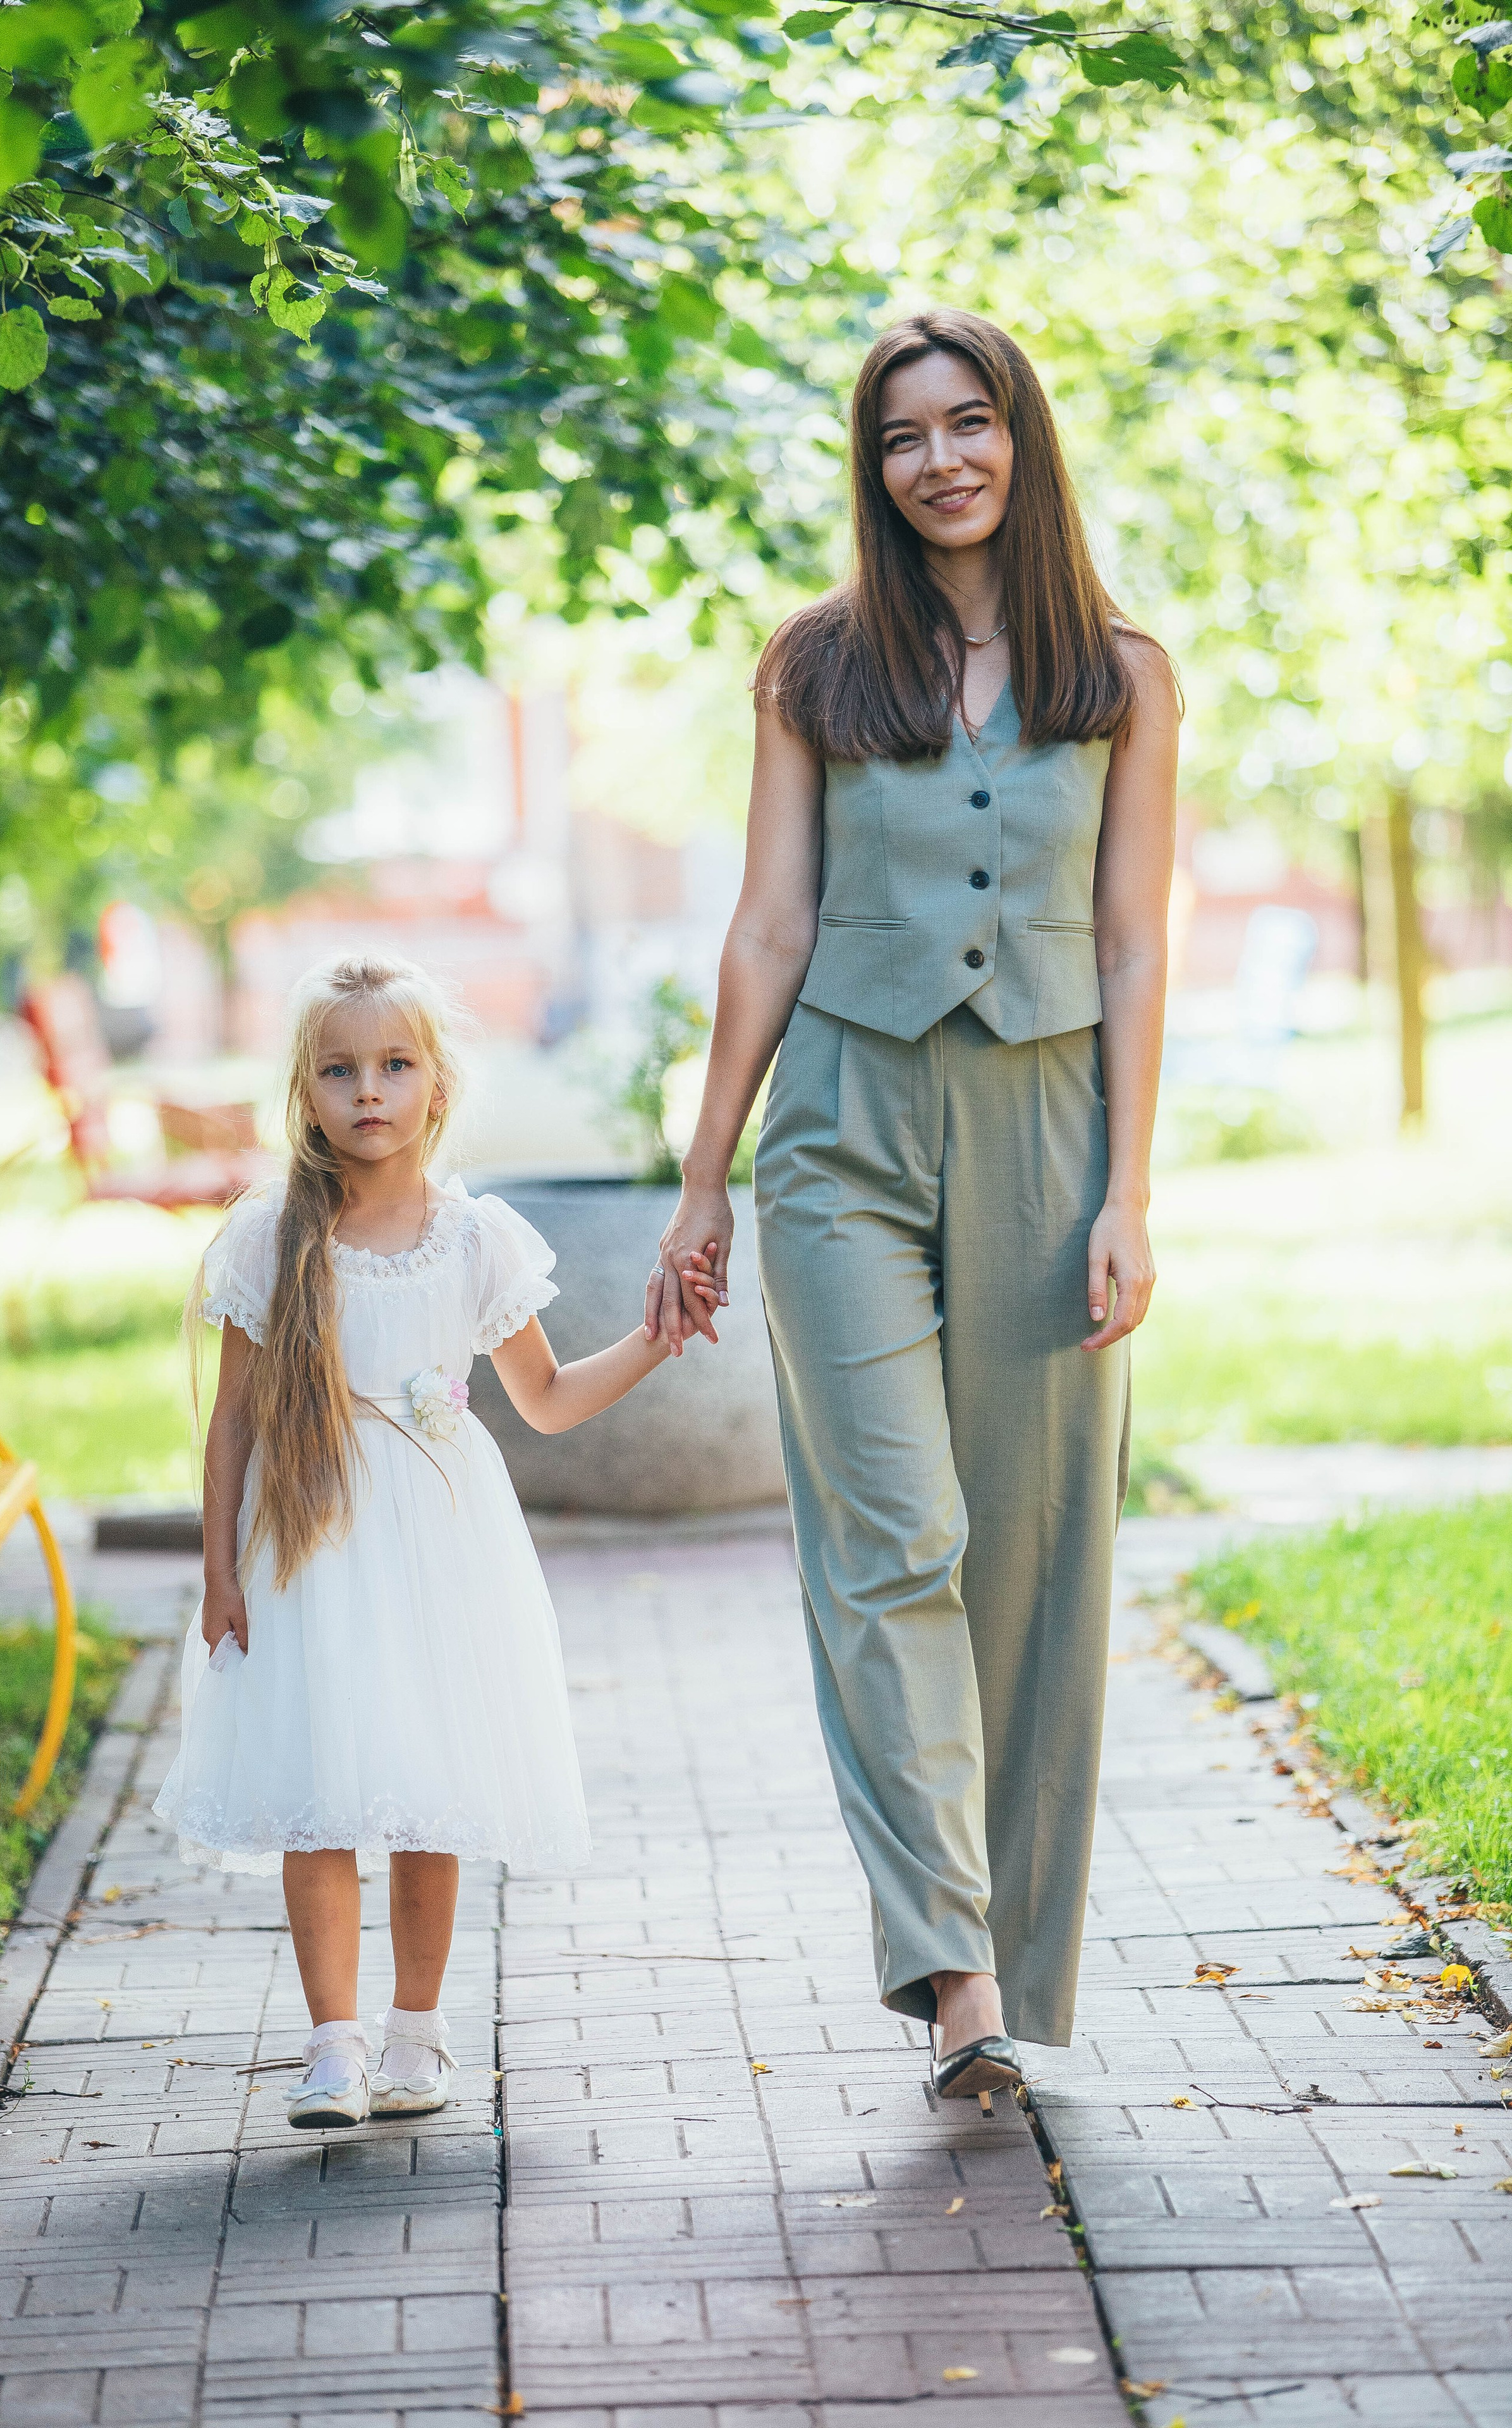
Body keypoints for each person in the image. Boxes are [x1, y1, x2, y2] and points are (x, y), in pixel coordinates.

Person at [647, 309, 1179, 2105]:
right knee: (895, 1546)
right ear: (870, 470)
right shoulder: (814, 668)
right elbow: (770, 929)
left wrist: (1131, 1188)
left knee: (1032, 1552)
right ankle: (953, 1971)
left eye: (971, 424)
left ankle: (1019, 1954)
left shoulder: (1121, 672)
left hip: (1048, 1127)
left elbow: (1130, 941)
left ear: (1022, 442)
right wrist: (706, 1178)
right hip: (844, 1137)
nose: (940, 459)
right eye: (902, 437)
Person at [155, 950, 719, 2130]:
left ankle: (418, 2033)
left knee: (423, 1788)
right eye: (340, 1069)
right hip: (307, 1543)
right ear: (305, 1094)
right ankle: (332, 2046)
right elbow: (233, 1426)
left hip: (440, 1551)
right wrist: (217, 1571)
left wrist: (659, 1339)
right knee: (319, 1790)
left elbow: (550, 1398)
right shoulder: (273, 1238)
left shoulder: (473, 1239)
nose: (370, 1090)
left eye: (395, 1064)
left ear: (438, 1087)